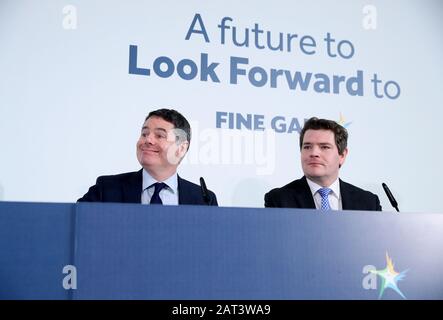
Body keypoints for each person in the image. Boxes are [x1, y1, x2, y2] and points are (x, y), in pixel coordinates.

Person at [78, 108, 218, 205]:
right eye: (144, 134)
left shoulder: (203, 200)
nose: (148, 140)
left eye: (159, 135)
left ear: (181, 148)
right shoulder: (106, 190)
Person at [264, 117, 381, 211]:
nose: (314, 153)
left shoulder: (368, 203)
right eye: (307, 147)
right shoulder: (279, 200)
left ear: (342, 155)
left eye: (324, 147)